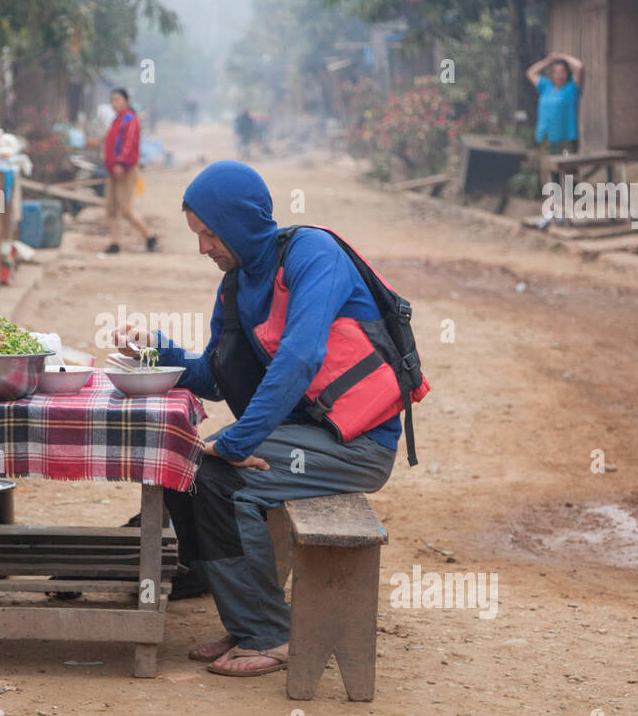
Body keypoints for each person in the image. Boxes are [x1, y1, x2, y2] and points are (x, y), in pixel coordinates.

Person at [113, 161, 426, 676]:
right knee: (184, 470)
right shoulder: (237, 284)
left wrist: (237, 441)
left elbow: (300, 358)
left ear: (238, 225)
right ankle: (245, 623)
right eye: (198, 235)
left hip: (356, 444)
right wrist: (154, 350)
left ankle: (269, 634)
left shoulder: (313, 255)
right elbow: (215, 376)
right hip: (299, 435)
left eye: (210, 234)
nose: (203, 248)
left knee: (216, 478)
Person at [101, 87, 156, 254]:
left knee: (126, 209)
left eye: (117, 99)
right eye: (112, 100)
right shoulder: (116, 120)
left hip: (125, 169)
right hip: (112, 170)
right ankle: (115, 242)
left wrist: (120, 163)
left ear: (126, 101)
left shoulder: (129, 119)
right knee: (111, 207)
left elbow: (128, 144)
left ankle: (149, 236)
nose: (114, 103)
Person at [527, 51, 584, 155]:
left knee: (568, 169)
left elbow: (579, 67)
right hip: (547, 138)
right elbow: (530, 72)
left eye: (562, 72)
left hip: (567, 140)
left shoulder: (571, 89)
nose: (559, 75)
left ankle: (568, 171)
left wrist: (563, 56)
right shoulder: (546, 87)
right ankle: (553, 172)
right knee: (551, 168)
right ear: (552, 74)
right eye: (556, 72)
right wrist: (547, 61)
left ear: (567, 74)